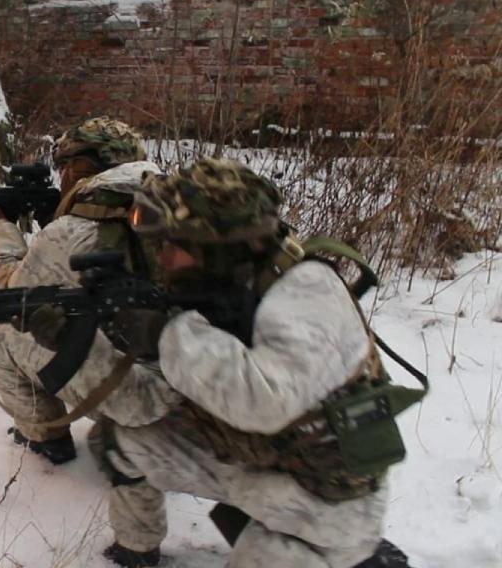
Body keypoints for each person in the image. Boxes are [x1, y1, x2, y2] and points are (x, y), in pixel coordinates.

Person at [87, 158, 418, 567]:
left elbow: (264, 399)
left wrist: (164, 335)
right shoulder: (232, 279)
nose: (164, 257)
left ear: (213, 247)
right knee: (122, 441)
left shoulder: (308, 293)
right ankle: (136, 549)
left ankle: (353, 560)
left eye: (172, 244)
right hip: (260, 462)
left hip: (326, 505)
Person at [0, 117, 183, 467]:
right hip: (203, 388)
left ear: (82, 167)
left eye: (64, 166)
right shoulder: (184, 206)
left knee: (2, 327)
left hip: (146, 398)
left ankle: (45, 436)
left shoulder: (70, 231)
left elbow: (12, 287)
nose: (61, 177)